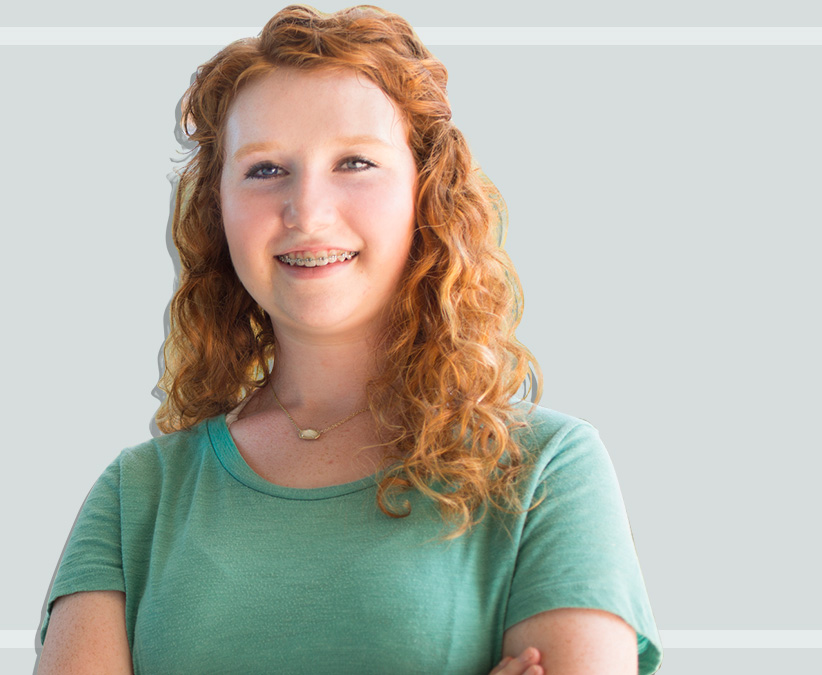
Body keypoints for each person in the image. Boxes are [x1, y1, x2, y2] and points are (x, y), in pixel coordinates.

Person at [36, 5, 662, 674]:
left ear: (428, 194)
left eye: (355, 162)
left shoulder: (546, 473)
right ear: (216, 209)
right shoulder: (138, 497)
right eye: (265, 169)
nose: (307, 210)